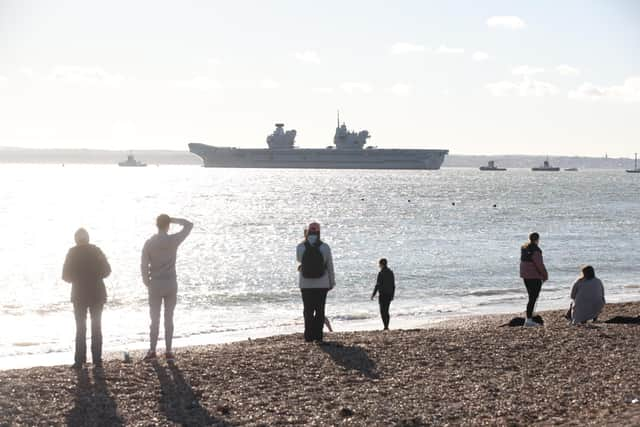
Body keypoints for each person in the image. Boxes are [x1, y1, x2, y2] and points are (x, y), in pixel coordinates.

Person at [141, 215, 193, 361]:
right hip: (170, 282)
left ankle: (152, 350)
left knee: (154, 318)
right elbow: (189, 225)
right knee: (169, 317)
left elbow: (144, 265)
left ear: (156, 225)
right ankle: (169, 350)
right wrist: (173, 219)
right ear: (167, 225)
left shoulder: (149, 243)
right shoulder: (173, 240)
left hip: (155, 283)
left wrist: (147, 282)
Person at [62, 228, 111, 369]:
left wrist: (77, 278)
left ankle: (79, 360)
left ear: (76, 239)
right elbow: (107, 271)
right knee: (96, 326)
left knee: (80, 327)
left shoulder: (72, 253)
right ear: (88, 238)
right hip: (97, 292)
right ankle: (97, 359)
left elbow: (65, 276)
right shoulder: (96, 251)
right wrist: (95, 275)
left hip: (79, 294)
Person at [296, 222, 336, 342]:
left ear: (308, 232)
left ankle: (308, 336)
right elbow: (330, 266)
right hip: (322, 283)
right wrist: (331, 282)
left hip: (305, 284)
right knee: (320, 310)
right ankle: (318, 336)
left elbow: (299, 259)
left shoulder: (300, 247)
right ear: (319, 232)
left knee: (307, 310)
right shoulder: (325, 247)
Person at [519, 232, 548, 327]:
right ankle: (529, 319)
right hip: (534, 276)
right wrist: (545, 275)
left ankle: (529, 315)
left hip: (525, 276)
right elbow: (539, 264)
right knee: (533, 298)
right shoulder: (536, 250)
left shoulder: (524, 248)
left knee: (531, 297)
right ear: (537, 239)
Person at [371, 258, 395, 330]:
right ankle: (386, 326)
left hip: (382, 294)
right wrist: (392, 295)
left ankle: (385, 326)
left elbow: (377, 285)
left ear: (381, 264)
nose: (379, 266)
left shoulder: (381, 273)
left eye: (379, 264)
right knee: (386, 311)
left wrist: (373, 294)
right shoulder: (390, 272)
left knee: (382, 311)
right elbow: (393, 285)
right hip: (389, 294)